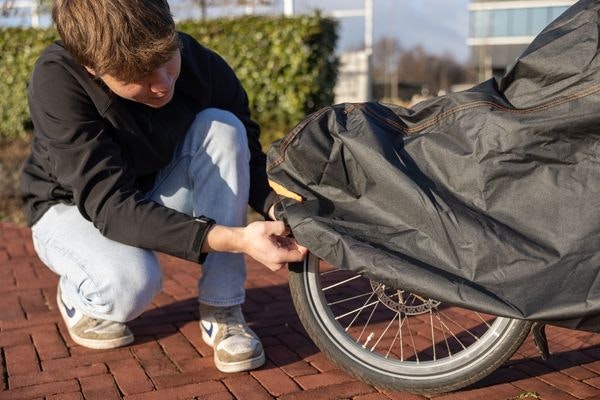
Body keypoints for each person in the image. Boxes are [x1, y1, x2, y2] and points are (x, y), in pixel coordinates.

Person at [20, 0, 307, 373]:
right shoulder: (56, 81)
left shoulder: (201, 65)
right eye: (137, 74)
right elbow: (111, 206)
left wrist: (280, 209)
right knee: (132, 283)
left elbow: (247, 160)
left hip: (152, 185)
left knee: (223, 128)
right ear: (93, 68)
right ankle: (82, 293)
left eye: (167, 59)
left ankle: (223, 309)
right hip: (70, 205)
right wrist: (238, 238)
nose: (162, 84)